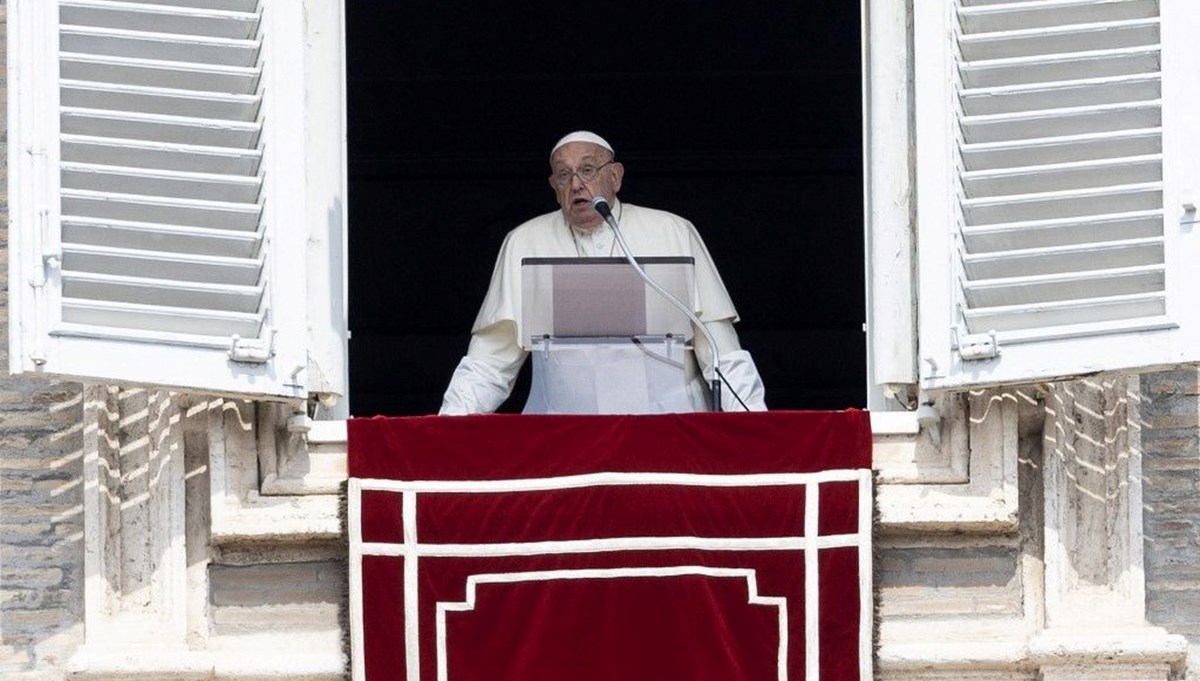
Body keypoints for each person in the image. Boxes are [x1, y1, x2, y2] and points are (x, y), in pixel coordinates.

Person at [439, 131, 767, 415]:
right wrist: (445, 426)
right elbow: (490, 362)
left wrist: (758, 429)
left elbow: (722, 353)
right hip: (565, 437)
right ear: (554, 185)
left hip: (668, 431)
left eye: (587, 169)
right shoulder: (524, 242)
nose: (577, 184)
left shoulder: (672, 231)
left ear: (615, 176)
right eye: (564, 175)